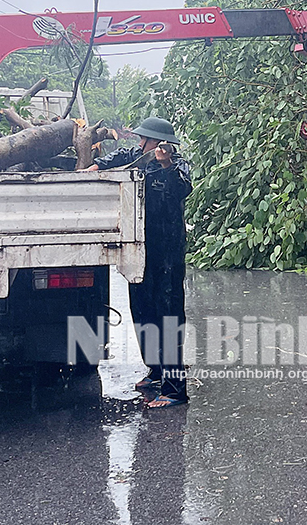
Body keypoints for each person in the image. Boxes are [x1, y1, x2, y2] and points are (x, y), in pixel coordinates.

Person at [86, 117, 193, 408]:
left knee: (168, 316)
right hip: (139, 251)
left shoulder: (178, 165)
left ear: (160, 142)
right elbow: (110, 161)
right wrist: (89, 171)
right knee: (142, 310)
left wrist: (167, 164)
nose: (140, 142)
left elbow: (183, 188)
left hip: (167, 253)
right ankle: (155, 371)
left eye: (145, 138)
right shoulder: (134, 157)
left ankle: (174, 390)